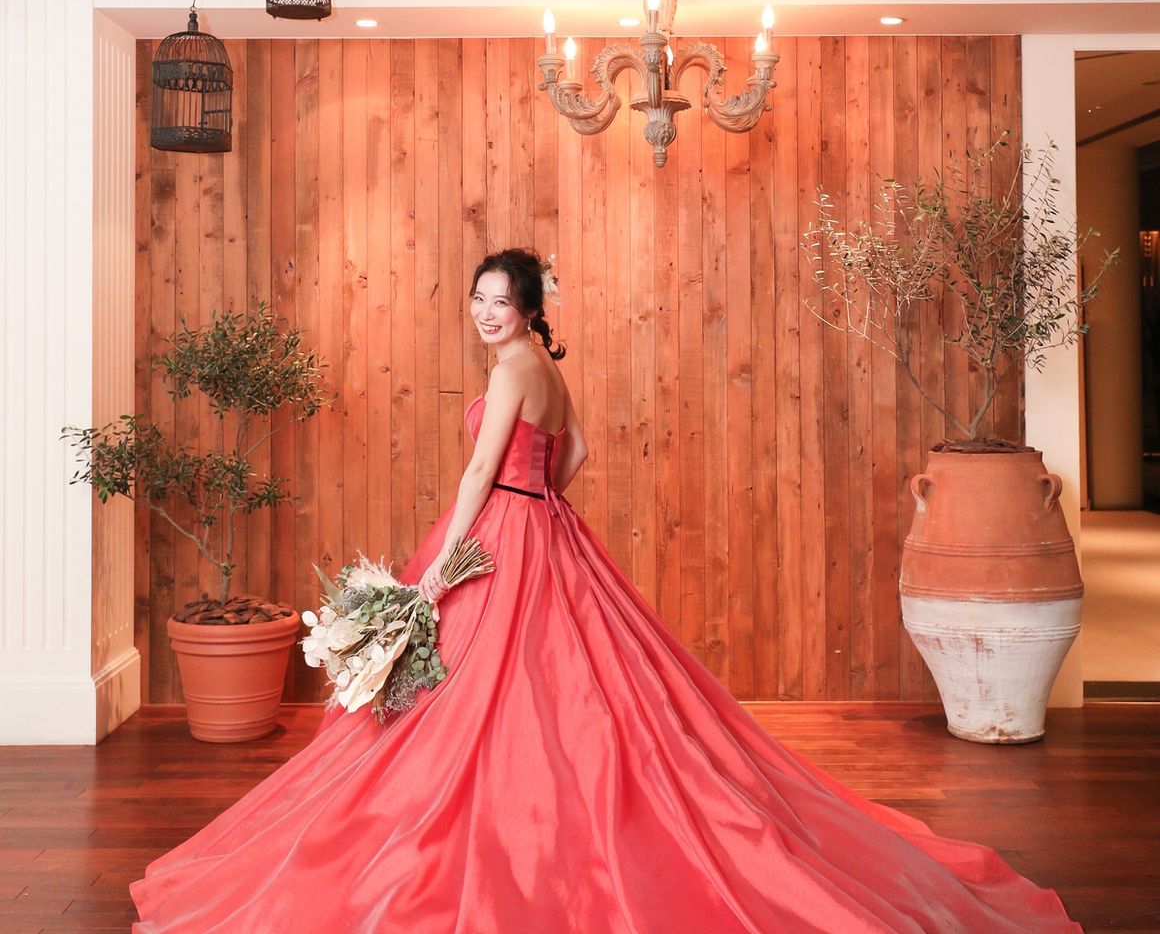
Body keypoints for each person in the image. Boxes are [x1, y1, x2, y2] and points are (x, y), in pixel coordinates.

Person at [131, 247, 1080, 933]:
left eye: (501, 301)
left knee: (470, 689)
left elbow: (477, 472)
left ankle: (496, 835)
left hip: (496, 533)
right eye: (477, 300)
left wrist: (440, 567)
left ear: (527, 308)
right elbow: (576, 450)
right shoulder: (544, 366)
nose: (486, 313)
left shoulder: (512, 368)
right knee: (559, 688)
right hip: (544, 525)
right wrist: (540, 501)